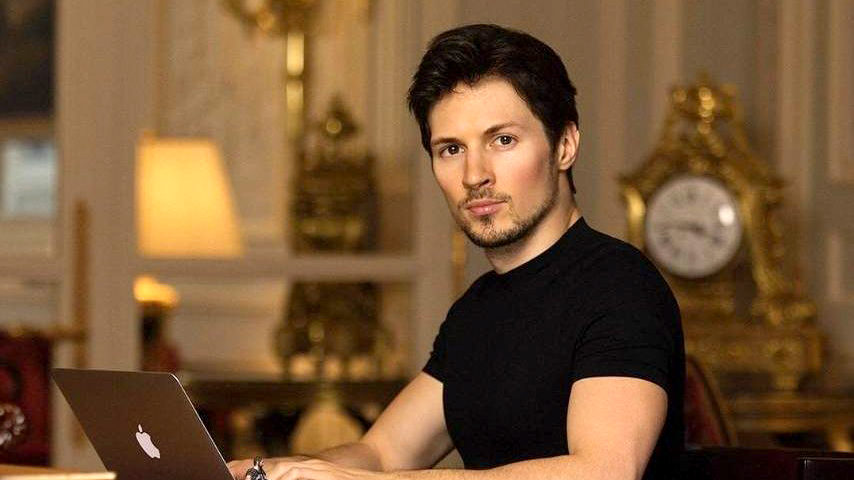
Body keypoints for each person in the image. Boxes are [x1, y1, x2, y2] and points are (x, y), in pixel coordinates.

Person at [228, 23, 685, 480]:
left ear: (564, 145)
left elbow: (604, 471)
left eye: (502, 140)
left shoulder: (621, 288)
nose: (474, 175)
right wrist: (264, 470)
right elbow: (381, 453)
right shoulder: (476, 309)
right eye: (451, 149)